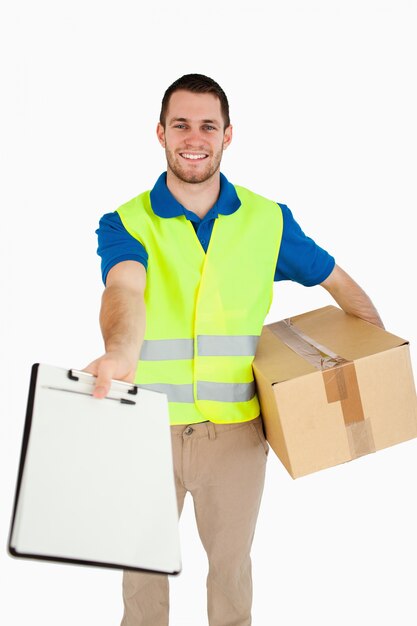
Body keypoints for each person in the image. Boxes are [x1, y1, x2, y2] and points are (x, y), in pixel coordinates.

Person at [85, 73, 383, 626]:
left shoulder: (267, 221)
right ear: (160, 133)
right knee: (141, 578)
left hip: (238, 434)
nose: (193, 138)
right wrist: (120, 352)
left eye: (207, 126)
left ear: (227, 135)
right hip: (146, 426)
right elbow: (124, 287)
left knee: (231, 574)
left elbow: (338, 283)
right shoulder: (126, 221)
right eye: (181, 125)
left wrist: (374, 351)